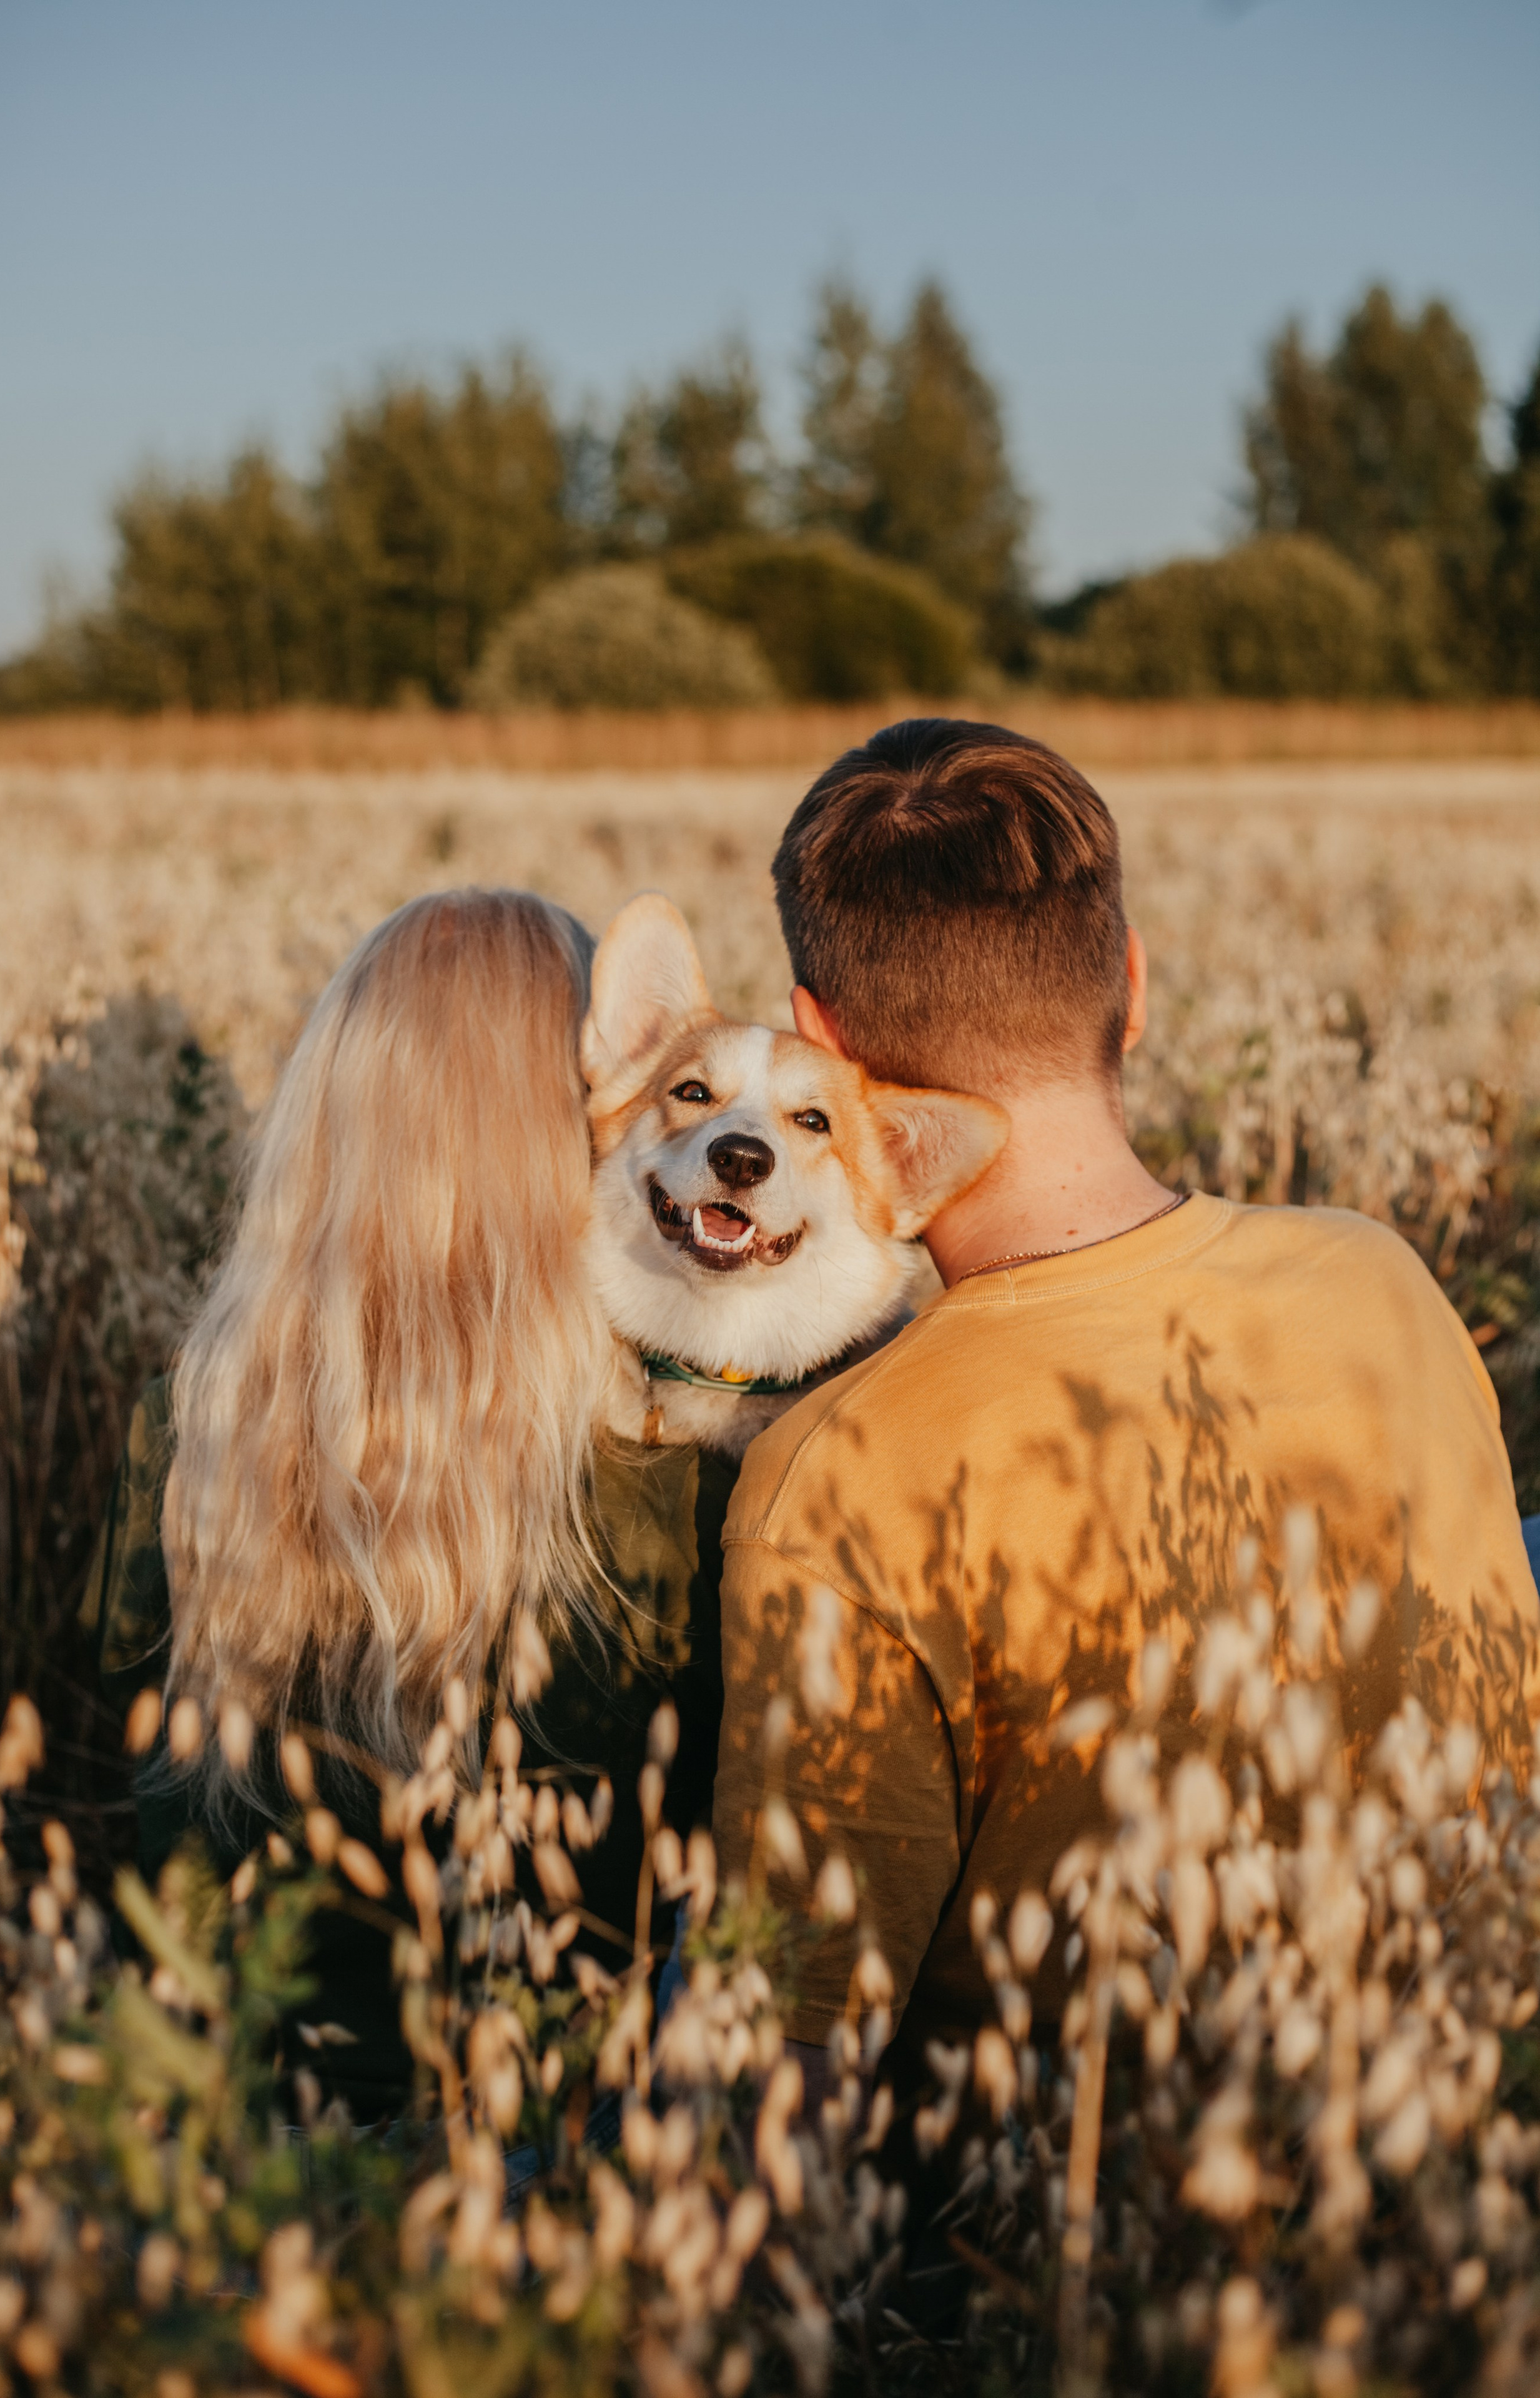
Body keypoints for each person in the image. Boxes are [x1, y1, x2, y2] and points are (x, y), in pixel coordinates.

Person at [710, 718, 1540, 2077]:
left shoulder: (835, 1474)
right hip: (1458, 2108)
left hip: (1068, 2221)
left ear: (824, 1051)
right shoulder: (1385, 1281)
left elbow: (794, 2057)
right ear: (1131, 985)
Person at [84, 888, 735, 2118]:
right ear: (586, 1120)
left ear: (323, 1118)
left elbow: (145, 1790)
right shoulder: (667, 1465)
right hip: (562, 2151)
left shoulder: (184, 1426)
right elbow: (710, 1845)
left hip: (247, 2138)